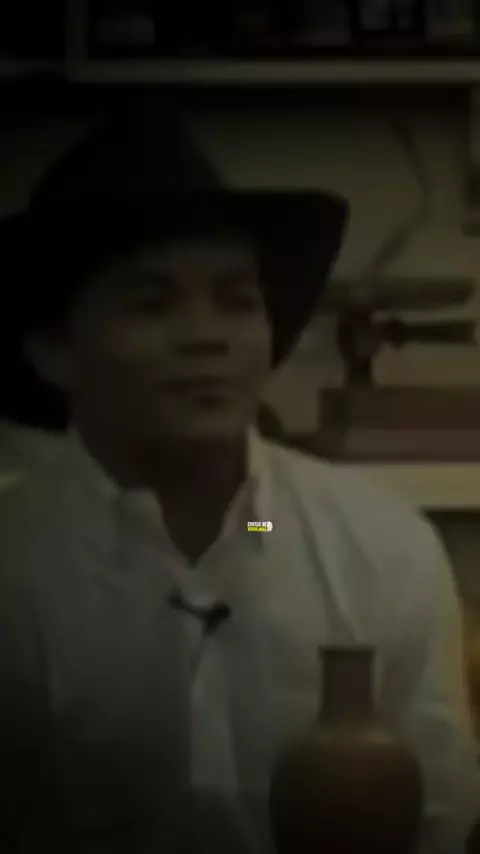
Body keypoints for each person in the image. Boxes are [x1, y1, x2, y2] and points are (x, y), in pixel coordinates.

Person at [0, 103, 477, 854]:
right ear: (55, 351)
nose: (206, 337)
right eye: (153, 304)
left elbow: (441, 821)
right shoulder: (18, 559)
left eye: (237, 301)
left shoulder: (378, 551)